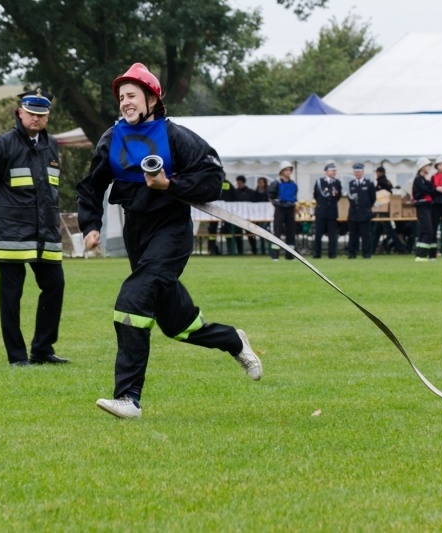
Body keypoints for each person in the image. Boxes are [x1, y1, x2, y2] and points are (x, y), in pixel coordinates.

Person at [76, 63, 262, 419]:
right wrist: (90, 226)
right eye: (121, 97)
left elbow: (213, 178)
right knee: (179, 325)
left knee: (131, 302)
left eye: (132, 95)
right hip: (136, 233)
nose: (125, 102)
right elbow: (91, 187)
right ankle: (233, 340)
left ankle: (128, 398)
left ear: (152, 99)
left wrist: (170, 185)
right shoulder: (111, 139)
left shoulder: (177, 136)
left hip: (172, 232)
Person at [0, 89, 68, 366]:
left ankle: (42, 349)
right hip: (12, 230)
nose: (36, 119)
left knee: (55, 285)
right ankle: (16, 356)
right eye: (31, 113)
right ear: (20, 113)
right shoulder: (3, 144)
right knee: (11, 295)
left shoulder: (51, 145)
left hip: (45, 230)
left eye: (41, 114)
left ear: (47, 116)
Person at [268, 161, 298, 261]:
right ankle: (275, 255)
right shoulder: (276, 183)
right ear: (281, 171)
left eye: (290, 170)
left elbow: (294, 196)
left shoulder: (293, 183)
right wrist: (277, 205)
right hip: (280, 208)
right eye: (286, 170)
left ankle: (290, 255)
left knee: (291, 232)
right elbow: (270, 196)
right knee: (278, 231)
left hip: (290, 209)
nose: (288, 172)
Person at [312, 162, 342, 258]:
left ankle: (332, 254)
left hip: (332, 212)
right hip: (321, 212)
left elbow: (338, 196)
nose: (334, 172)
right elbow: (316, 195)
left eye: (335, 171)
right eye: (332, 170)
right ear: (326, 172)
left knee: (332, 235)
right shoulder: (320, 182)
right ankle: (317, 253)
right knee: (318, 234)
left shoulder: (337, 182)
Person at [346, 163, 375, 258]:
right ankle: (352, 253)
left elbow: (372, 198)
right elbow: (349, 197)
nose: (357, 173)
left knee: (366, 235)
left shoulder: (369, 184)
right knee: (353, 235)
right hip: (354, 213)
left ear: (363, 172)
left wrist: (367, 208)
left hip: (364, 213)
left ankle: (366, 253)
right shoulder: (351, 184)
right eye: (355, 172)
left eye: (359, 172)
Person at [411, 157, 435, 261]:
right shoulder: (418, 180)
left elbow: (432, 190)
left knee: (423, 231)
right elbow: (425, 190)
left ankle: (419, 254)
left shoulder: (424, 179)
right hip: (422, 206)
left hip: (427, 206)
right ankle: (422, 254)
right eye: (427, 166)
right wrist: (428, 182)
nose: (429, 168)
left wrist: (428, 183)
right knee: (428, 231)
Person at [253, 176, 270, 255]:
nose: (260, 184)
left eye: (261, 182)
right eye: (259, 182)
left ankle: (268, 248)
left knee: (264, 230)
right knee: (260, 232)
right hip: (258, 214)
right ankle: (262, 249)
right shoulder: (256, 192)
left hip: (266, 215)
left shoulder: (268, 191)